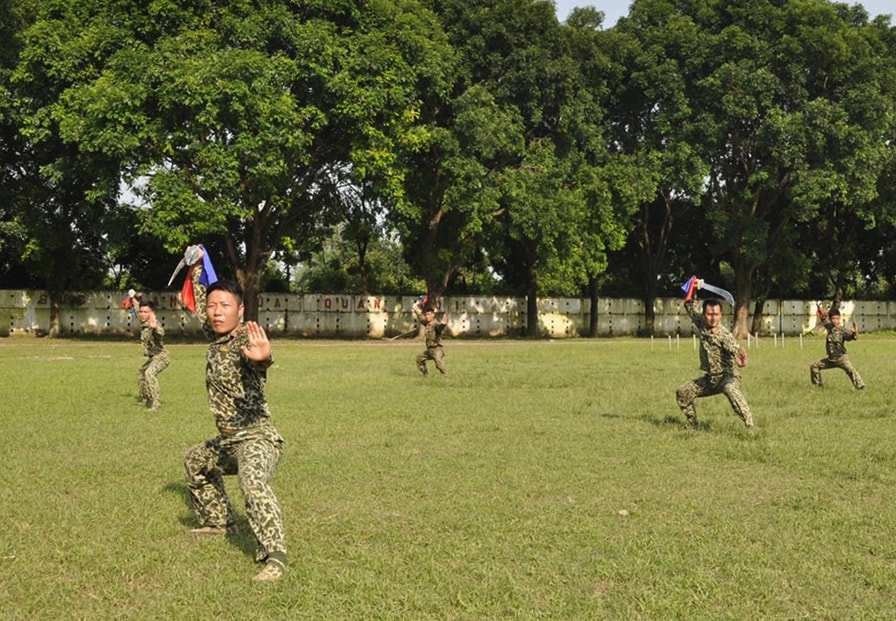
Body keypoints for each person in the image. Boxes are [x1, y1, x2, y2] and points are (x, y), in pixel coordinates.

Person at [181, 249, 287, 582]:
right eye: (213, 306)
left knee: (252, 482)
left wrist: (263, 358)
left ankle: (275, 557)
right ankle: (220, 521)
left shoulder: (245, 337)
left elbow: (259, 362)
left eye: (225, 306)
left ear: (240, 310)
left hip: (257, 437)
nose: (216, 312)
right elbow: (201, 304)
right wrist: (198, 267)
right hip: (229, 439)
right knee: (196, 460)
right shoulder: (214, 336)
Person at [676, 281, 754, 430]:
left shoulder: (724, 334)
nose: (713, 318)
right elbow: (688, 305)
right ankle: (693, 425)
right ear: (704, 315)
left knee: (734, 394)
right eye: (709, 314)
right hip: (710, 379)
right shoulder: (702, 324)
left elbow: (736, 351)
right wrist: (693, 286)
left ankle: (751, 427)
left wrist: (741, 361)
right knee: (682, 392)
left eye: (716, 315)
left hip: (727, 377)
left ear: (721, 315)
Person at [810, 306, 865, 389]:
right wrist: (821, 311)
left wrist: (854, 333)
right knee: (814, 366)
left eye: (837, 318)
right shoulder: (829, 327)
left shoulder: (842, 330)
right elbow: (823, 319)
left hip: (842, 358)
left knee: (851, 371)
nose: (835, 321)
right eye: (833, 318)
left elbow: (851, 337)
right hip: (831, 359)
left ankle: (861, 387)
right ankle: (818, 387)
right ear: (830, 319)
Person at [136, 300, 169, 411]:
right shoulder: (143, 323)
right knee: (141, 372)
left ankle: (156, 404)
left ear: (151, 313)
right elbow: (137, 306)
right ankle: (147, 399)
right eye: (141, 312)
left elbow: (160, 333)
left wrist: (155, 327)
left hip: (161, 357)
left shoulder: (154, 324)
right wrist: (132, 298)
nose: (142, 314)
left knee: (149, 373)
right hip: (152, 358)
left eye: (146, 312)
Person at [412, 296, 449, 376]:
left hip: (437, 349)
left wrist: (443, 324)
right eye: (426, 314)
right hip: (429, 350)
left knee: (438, 362)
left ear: (433, 315)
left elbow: (440, 327)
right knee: (419, 359)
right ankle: (425, 375)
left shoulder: (435, 324)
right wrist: (416, 309)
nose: (427, 316)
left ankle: (447, 376)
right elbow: (420, 317)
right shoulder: (427, 323)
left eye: (428, 314)